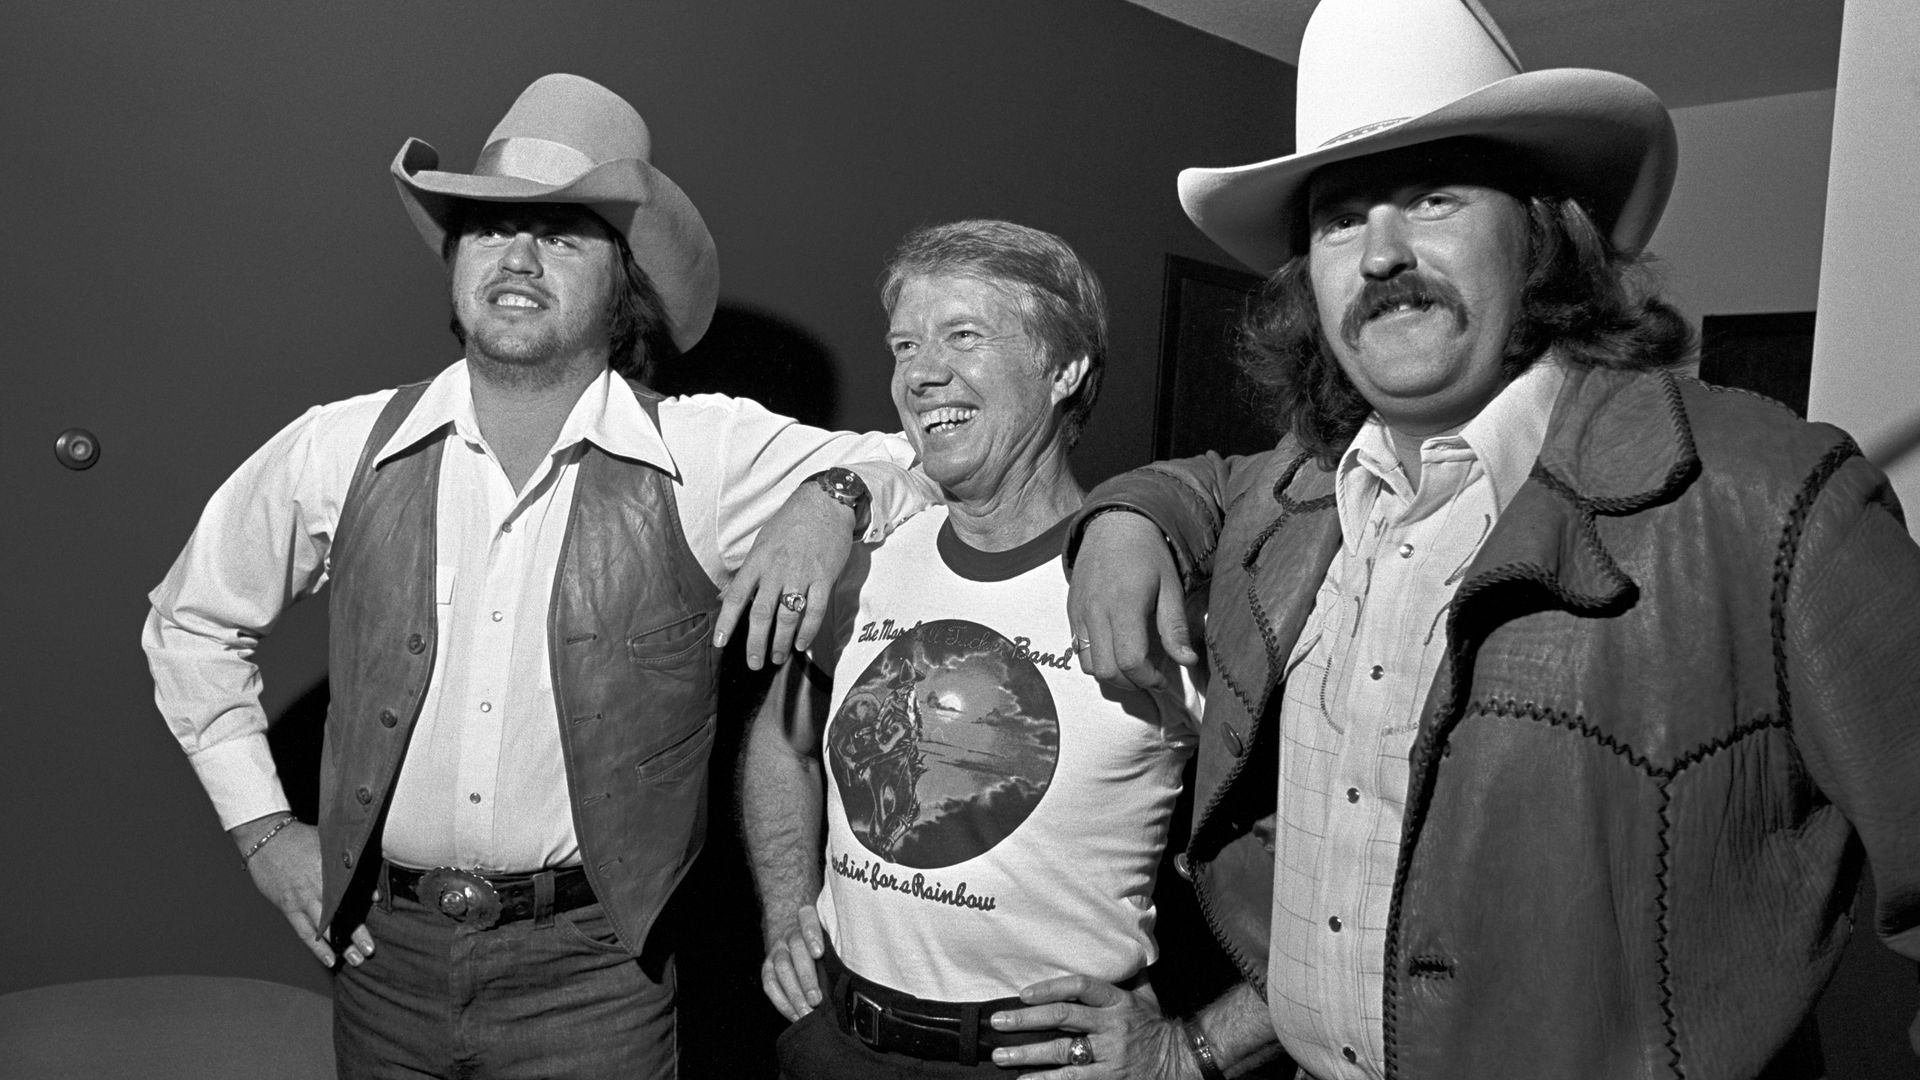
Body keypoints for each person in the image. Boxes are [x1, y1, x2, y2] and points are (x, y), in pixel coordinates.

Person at [1027, 0, 1920, 1077]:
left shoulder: (1772, 501)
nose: (1382, 253)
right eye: (1341, 220)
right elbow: (1205, 484)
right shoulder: (1304, 493)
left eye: (1433, 198)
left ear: (1544, 233)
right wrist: (1127, 516)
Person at [142, 73, 927, 1078]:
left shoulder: (703, 453)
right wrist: (262, 830)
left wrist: (832, 500)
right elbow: (188, 623)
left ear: (623, 285)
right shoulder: (340, 445)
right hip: (385, 963)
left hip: (596, 982)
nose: (516, 257)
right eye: (490, 229)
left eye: (560, 235)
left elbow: (926, 467)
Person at [741, 220, 1204, 1078]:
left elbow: (1313, 843)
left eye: (963, 336)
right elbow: (781, 741)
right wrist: (785, 912)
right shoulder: (867, 565)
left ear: (1065, 370)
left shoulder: (1151, 585)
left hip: (1043, 1062)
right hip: (837, 1044)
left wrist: (1195, 1047)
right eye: (904, 345)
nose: (920, 373)